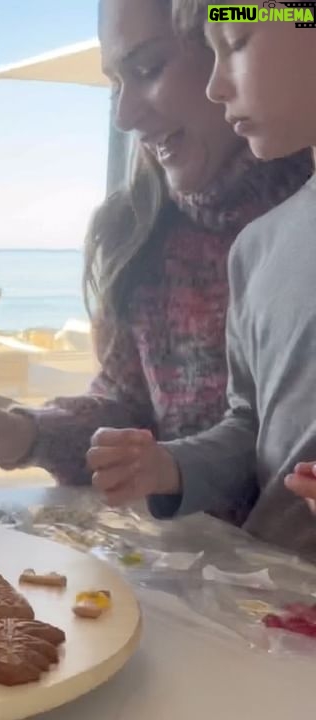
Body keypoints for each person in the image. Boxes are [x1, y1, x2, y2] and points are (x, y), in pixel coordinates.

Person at [0, 0, 313, 526]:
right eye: (114, 83)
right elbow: (130, 410)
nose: (124, 115)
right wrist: (27, 433)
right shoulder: (136, 232)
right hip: (207, 577)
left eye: (149, 69)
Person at [87, 0, 316, 559]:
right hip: (276, 602)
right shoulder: (257, 250)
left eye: (235, 41)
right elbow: (252, 427)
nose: (216, 85)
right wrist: (169, 465)